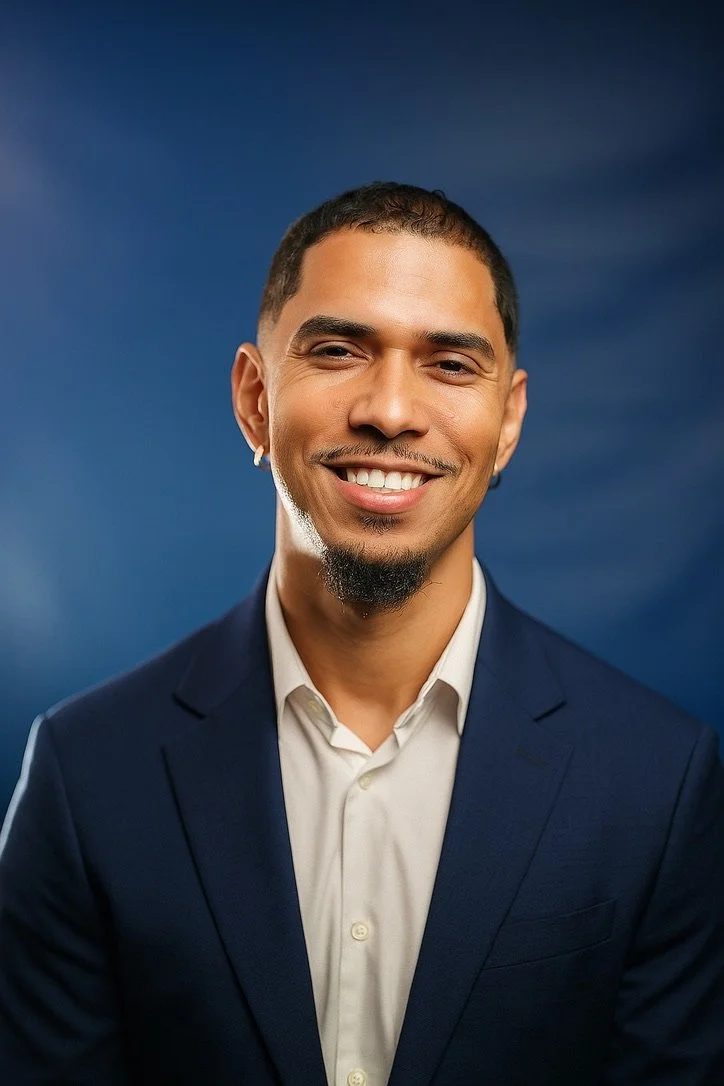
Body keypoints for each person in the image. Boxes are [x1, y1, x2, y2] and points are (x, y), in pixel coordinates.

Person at [1, 182, 723, 1086]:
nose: (389, 410)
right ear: (254, 400)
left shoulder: (658, 782)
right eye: (339, 351)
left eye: (450, 365)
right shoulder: (85, 774)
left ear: (508, 422)